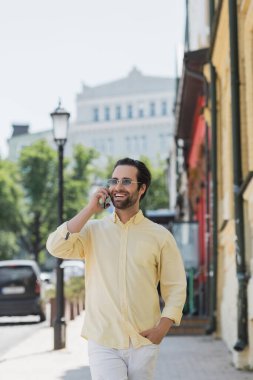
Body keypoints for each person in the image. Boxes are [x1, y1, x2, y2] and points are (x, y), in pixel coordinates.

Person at [46, 157, 186, 380]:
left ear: (142, 189)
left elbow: (176, 286)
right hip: (103, 340)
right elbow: (55, 246)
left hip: (143, 340)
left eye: (126, 181)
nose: (118, 186)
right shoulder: (92, 231)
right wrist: (90, 208)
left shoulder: (160, 236)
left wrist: (163, 327)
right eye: (114, 180)